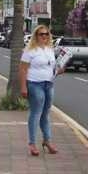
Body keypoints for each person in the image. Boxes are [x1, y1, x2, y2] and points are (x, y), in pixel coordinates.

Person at [19, 25, 62, 157]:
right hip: (34, 84)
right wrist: (23, 87)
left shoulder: (50, 50)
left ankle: (47, 140)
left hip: (49, 84)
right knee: (36, 113)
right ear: (36, 36)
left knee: (46, 114)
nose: (44, 36)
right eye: (41, 34)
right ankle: (32, 144)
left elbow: (52, 68)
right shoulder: (30, 50)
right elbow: (23, 69)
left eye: (46, 34)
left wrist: (59, 71)